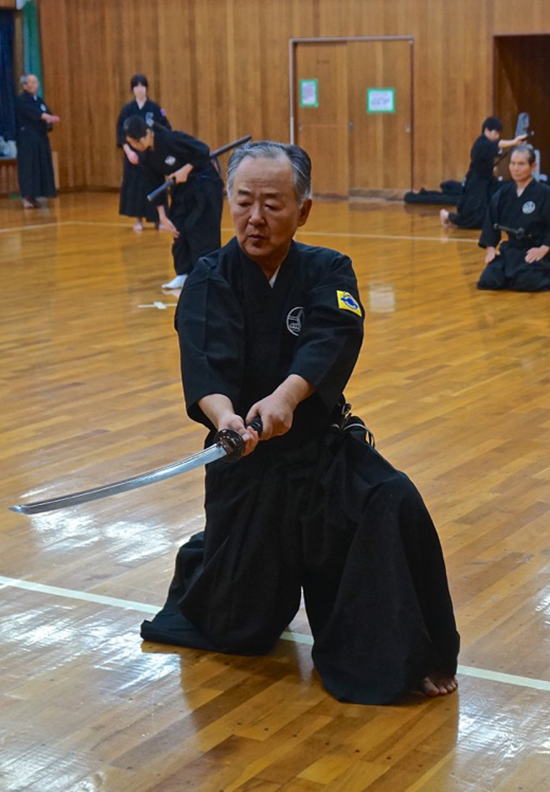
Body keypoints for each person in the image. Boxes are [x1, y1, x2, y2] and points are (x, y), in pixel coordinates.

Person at [139, 141, 460, 705]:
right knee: (238, 630)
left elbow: (332, 336)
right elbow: (203, 361)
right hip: (248, 458)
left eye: (272, 203)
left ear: (303, 209)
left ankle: (410, 651)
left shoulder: (328, 269)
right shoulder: (210, 277)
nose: (255, 218)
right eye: (243, 202)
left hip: (322, 450)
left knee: (395, 498)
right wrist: (227, 420)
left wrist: (287, 398)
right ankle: (206, 553)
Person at [123, 116, 223, 289]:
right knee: (178, 227)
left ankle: (207, 274)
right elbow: (154, 184)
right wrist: (162, 216)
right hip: (181, 190)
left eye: (136, 142)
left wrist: (186, 169)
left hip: (204, 185)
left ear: (147, 134)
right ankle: (183, 273)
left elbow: (203, 150)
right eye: (131, 143)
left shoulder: (171, 138)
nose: (135, 147)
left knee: (200, 228)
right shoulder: (145, 156)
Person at [477, 145, 550, 292]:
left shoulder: (546, 194)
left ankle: (542, 277)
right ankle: (512, 276)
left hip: (533, 250)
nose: (515, 168)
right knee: (488, 280)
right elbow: (491, 220)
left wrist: (543, 249)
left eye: (521, 164)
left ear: (533, 166)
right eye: (512, 163)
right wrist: (490, 247)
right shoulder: (503, 193)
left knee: (527, 282)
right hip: (511, 249)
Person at [440, 117, 526, 229]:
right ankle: (446, 215)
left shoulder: (488, 144)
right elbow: (498, 145)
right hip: (476, 182)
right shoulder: (481, 143)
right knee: (473, 217)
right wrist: (514, 142)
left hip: (488, 181)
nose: (497, 136)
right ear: (487, 131)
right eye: (495, 133)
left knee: (504, 193)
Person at [116, 74, 172, 232]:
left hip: (151, 154)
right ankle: (138, 220)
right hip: (133, 156)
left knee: (155, 184)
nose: (139, 89)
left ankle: (158, 220)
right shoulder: (127, 110)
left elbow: (165, 128)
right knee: (136, 187)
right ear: (132, 89)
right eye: (136, 86)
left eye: (142, 86)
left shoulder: (154, 108)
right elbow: (120, 133)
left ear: (146, 88)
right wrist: (128, 152)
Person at [15, 74, 60, 209]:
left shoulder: (39, 100)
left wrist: (49, 120)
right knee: (29, 167)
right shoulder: (22, 101)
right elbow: (36, 114)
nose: (35, 85)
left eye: (36, 82)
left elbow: (47, 114)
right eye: (32, 82)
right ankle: (27, 197)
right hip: (27, 139)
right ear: (24, 86)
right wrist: (48, 117)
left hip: (40, 137)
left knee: (41, 166)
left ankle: (37, 195)